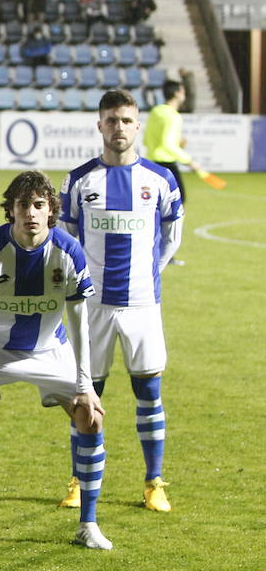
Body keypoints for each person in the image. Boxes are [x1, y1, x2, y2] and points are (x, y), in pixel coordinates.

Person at [0, 171, 110, 551]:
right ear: (11, 211)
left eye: (39, 205)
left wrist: (85, 386)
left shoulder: (68, 251)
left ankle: (88, 523)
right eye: (23, 205)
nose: (31, 213)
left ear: (52, 210)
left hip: (51, 350)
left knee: (91, 416)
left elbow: (79, 323)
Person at [59, 89, 184, 514]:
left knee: (148, 393)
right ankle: (80, 479)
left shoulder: (160, 180)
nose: (119, 128)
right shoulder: (79, 181)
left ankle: (154, 482)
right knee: (86, 396)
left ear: (137, 126)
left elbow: (171, 238)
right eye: (111, 120)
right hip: (92, 308)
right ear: (100, 125)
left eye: (127, 121)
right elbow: (68, 242)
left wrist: (150, 274)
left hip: (143, 306)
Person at [143, 76, 200, 209]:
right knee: (179, 200)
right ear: (177, 93)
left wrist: (176, 143)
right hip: (166, 164)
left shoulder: (155, 112)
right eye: (183, 91)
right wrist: (189, 161)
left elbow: (146, 140)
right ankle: (172, 230)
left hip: (151, 163)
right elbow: (167, 144)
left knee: (154, 203)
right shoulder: (173, 115)